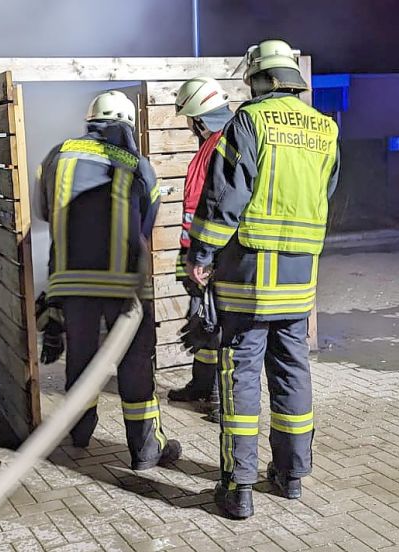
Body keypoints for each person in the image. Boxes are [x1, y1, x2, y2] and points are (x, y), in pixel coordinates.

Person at [185, 40, 340, 518]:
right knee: (294, 373)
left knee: (241, 379)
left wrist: (202, 254)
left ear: (262, 78)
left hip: (249, 279)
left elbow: (226, 194)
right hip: (299, 281)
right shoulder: (326, 128)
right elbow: (327, 189)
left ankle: (239, 487)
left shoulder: (249, 122)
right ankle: (292, 476)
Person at [36, 90, 182, 470]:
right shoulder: (137, 163)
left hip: (71, 282)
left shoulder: (57, 156)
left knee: (81, 360)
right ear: (128, 124)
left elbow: (45, 211)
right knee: (135, 364)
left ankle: (80, 433)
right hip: (125, 285)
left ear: (90, 121)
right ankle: (146, 451)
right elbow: (148, 219)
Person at [166, 77, 233, 423]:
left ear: (200, 118)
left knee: (218, 326)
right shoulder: (213, 145)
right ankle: (202, 385)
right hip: (198, 253)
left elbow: (215, 204)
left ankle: (224, 402)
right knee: (203, 323)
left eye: (190, 120)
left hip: (212, 256)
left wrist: (203, 259)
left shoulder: (223, 145)